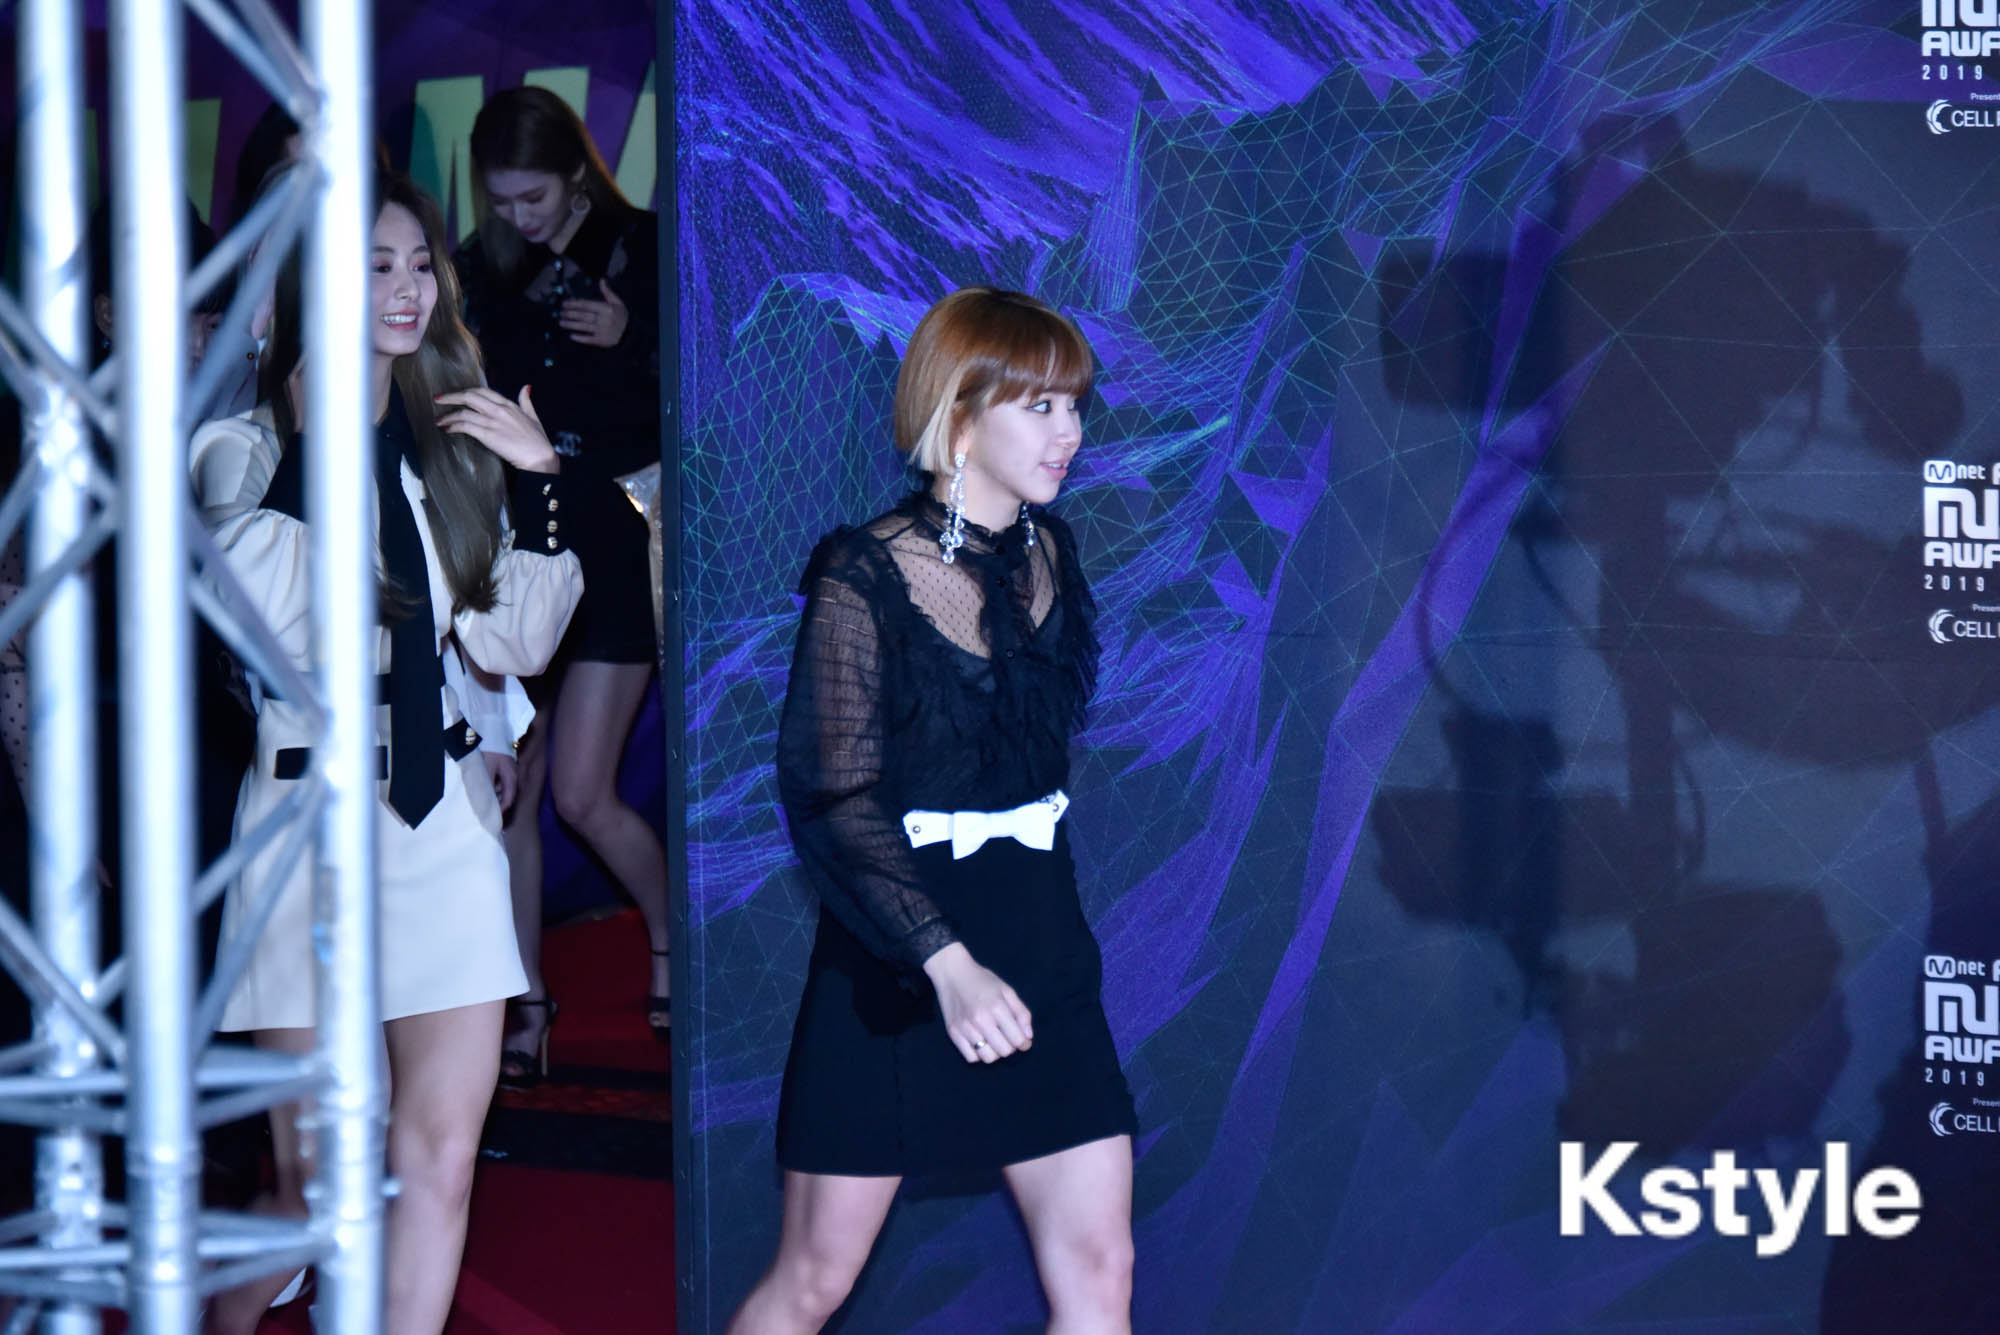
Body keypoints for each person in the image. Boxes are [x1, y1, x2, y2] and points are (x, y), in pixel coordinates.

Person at [192, 172, 582, 1335]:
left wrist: (539, 484)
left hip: (442, 828)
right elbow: (272, 622)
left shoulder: (449, 449)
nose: (406, 289)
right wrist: (318, 441)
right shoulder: (235, 450)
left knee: (439, 1162)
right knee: (318, 1186)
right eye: (373, 266)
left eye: (419, 265)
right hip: (303, 830)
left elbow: (512, 641)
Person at [727, 288, 1137, 1335]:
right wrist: (945, 965)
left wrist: (1019, 955)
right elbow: (831, 797)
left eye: (1073, 405)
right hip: (898, 960)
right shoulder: (862, 572)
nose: (1068, 432)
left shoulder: (1052, 552)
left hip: (1041, 946)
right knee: (813, 1279)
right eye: (1038, 406)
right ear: (958, 417)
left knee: (1101, 1270)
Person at [454, 85, 669, 1077]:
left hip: (614, 544)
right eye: (499, 199)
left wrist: (632, 338)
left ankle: (673, 951)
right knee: (510, 795)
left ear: (576, 172)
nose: (517, 217)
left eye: (532, 198)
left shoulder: (639, 246)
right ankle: (526, 1004)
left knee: (580, 793)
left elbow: (697, 394)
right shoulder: (478, 265)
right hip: (520, 545)